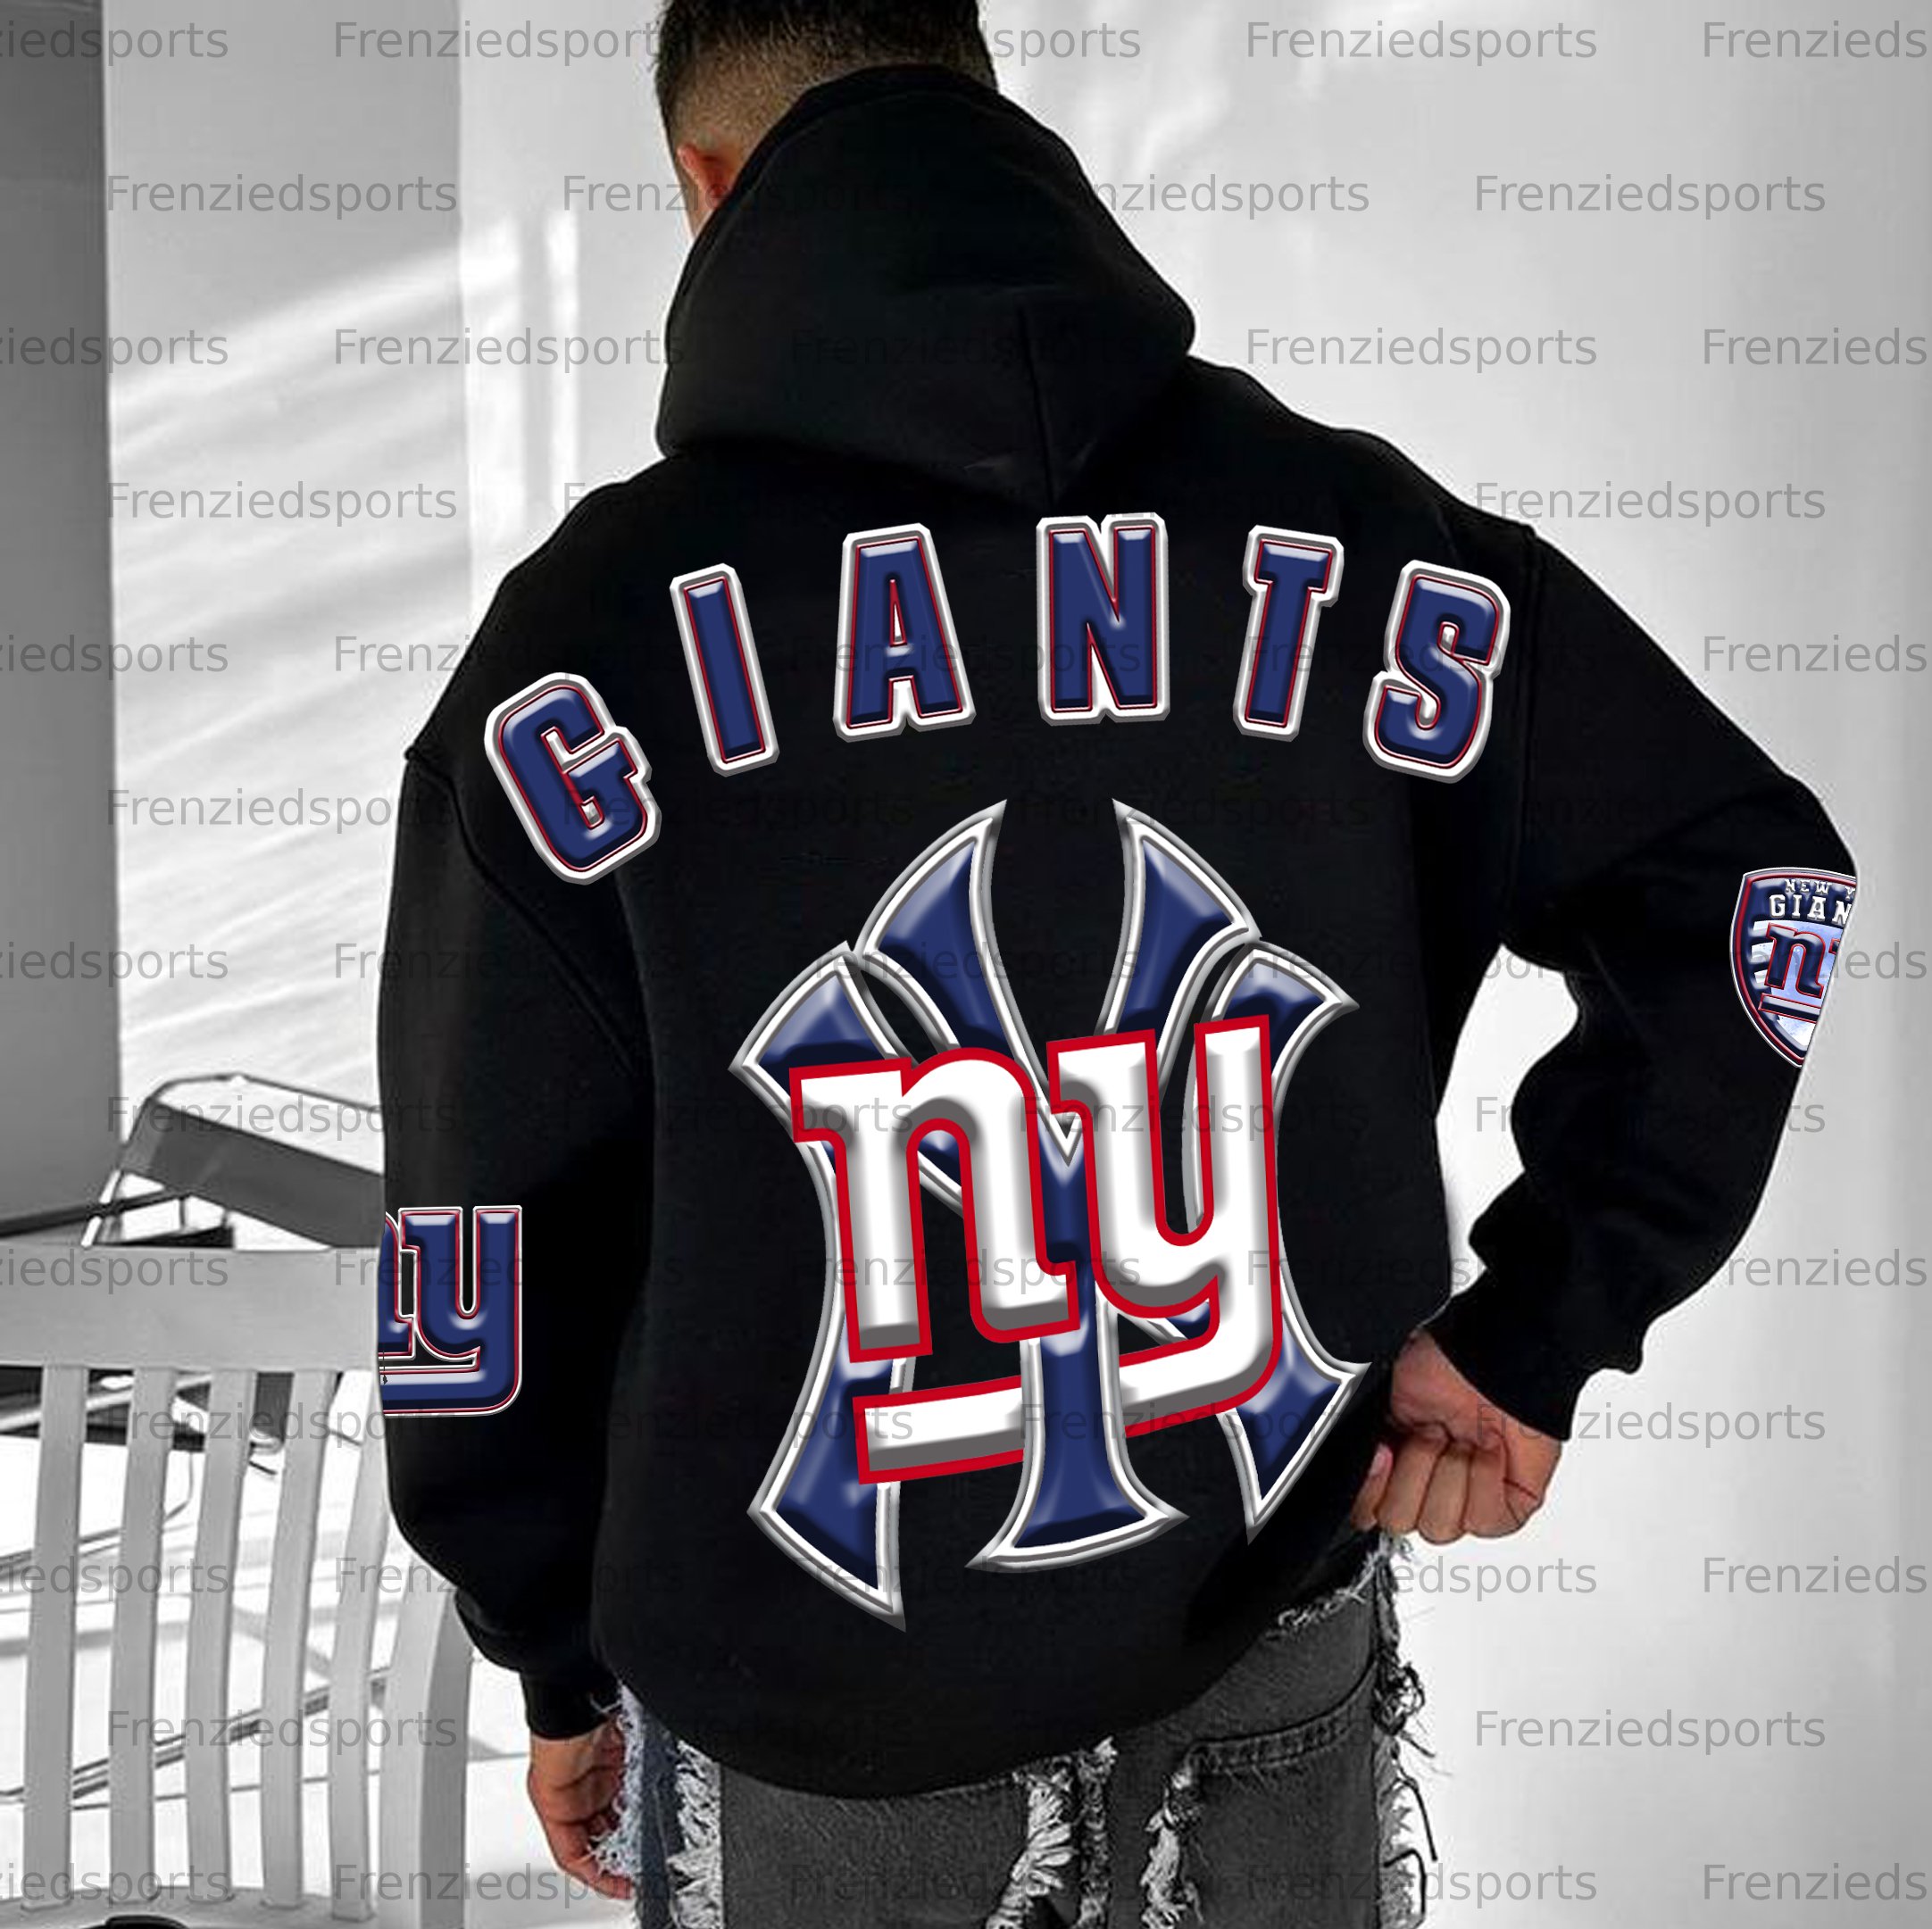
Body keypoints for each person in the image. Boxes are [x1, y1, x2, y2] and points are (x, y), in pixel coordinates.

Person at [376, 4, 1856, 1923]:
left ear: (708, 185)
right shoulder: (1363, 540)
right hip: (1268, 1627)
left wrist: (550, 1647)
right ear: (982, 109)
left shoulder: (581, 653)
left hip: (813, 1714)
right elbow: (1747, 889)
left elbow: (476, 1233)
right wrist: (1534, 1330)